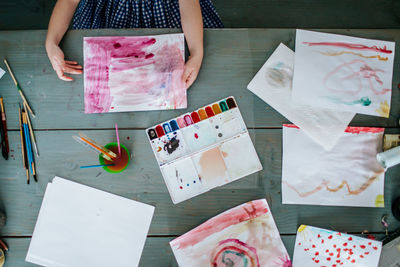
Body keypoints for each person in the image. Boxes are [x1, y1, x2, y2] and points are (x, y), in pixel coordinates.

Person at [45, 0, 223, 89]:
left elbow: (188, 3)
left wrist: (196, 52)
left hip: (165, 14)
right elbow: (69, 1)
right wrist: (51, 42)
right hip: (107, 15)